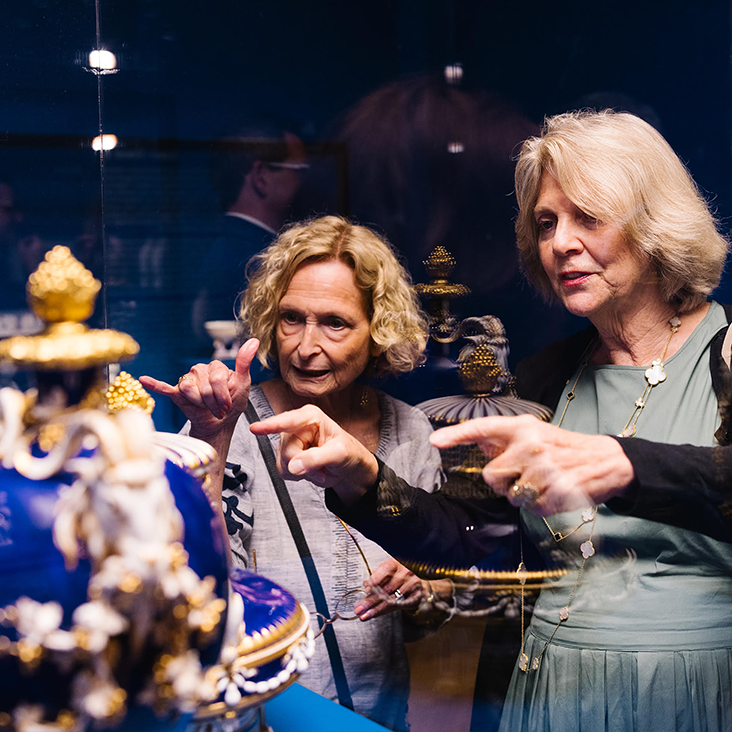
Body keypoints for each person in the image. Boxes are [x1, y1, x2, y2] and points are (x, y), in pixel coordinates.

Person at [249, 111, 732, 732]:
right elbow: (467, 536)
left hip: (693, 692)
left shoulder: (724, 353)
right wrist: (364, 477)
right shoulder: (544, 379)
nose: (560, 243)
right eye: (546, 223)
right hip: (546, 694)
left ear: (654, 224)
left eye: (588, 217)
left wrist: (628, 464)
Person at [141, 215, 453, 731]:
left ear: (378, 331)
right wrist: (214, 437)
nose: (306, 347)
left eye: (335, 323)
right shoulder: (233, 426)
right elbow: (196, 588)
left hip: (379, 715)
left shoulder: (411, 431)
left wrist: (422, 592)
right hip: (264, 716)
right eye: (291, 318)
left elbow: (439, 601)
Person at [192, 114, 309, 342]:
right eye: (299, 171)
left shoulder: (218, 245)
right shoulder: (253, 257)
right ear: (261, 176)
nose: (305, 182)